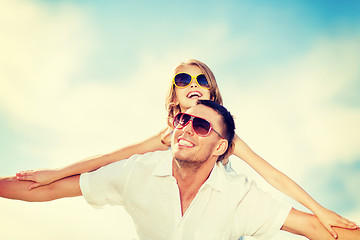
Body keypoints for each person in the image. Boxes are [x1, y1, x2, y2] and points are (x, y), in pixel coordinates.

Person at [15, 59, 357, 238]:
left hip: (224, 217)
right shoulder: (167, 137)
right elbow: (112, 157)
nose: (193, 85)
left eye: (200, 80)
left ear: (212, 92)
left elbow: (271, 175)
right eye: (183, 80)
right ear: (174, 96)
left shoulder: (228, 139)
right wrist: (57, 173)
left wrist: (319, 209)